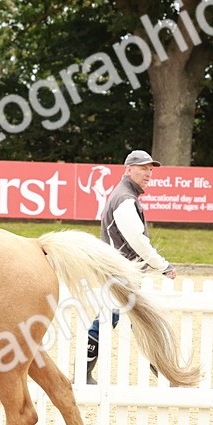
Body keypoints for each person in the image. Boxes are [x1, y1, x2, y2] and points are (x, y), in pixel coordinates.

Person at [85, 150, 178, 384]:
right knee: (115, 319)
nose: (148, 173)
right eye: (143, 168)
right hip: (121, 272)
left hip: (122, 272)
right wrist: (163, 266)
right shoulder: (125, 199)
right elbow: (138, 241)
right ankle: (163, 369)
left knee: (134, 319)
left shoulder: (125, 195)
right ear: (128, 170)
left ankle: (161, 368)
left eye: (150, 169)